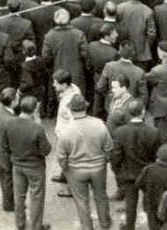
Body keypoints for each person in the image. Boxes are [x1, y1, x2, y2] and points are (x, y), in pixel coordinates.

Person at [55, 93, 112, 230]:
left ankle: (87, 227)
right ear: (86, 108)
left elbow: (61, 156)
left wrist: (67, 170)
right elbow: (109, 148)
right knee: (101, 196)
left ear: (71, 110)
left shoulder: (66, 130)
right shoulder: (99, 124)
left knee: (81, 201)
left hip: (76, 169)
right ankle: (105, 223)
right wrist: (104, 161)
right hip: (98, 167)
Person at [110, 99, 162, 230]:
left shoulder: (120, 132)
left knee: (131, 205)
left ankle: (129, 227)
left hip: (128, 174)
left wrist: (118, 172)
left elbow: (115, 157)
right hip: (148, 173)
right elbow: (158, 155)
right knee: (150, 204)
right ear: (143, 112)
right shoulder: (153, 132)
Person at [3, 95, 52, 230]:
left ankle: (20, 223)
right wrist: (39, 124)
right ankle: (36, 226)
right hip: (35, 167)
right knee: (36, 197)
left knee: (19, 195)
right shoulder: (37, 128)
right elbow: (46, 150)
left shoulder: (9, 123)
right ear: (35, 109)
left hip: (17, 166)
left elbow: (5, 146)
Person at [136, 144, 167, 230]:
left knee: (153, 225)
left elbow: (138, 183)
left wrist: (146, 191)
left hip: (150, 202)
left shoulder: (148, 169)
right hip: (166, 204)